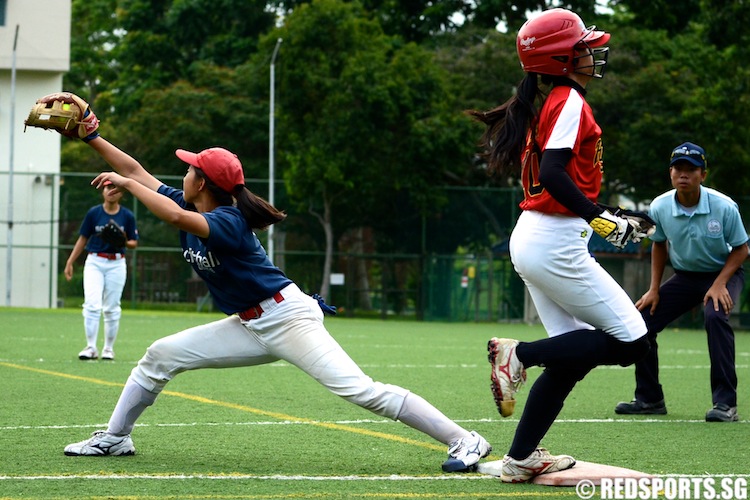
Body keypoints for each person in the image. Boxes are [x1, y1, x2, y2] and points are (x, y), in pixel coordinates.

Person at [60, 129, 490, 473]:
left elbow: (166, 210)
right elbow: (134, 167)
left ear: (203, 183)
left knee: (363, 392)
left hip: (287, 318)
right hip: (250, 324)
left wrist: (128, 186)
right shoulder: (190, 201)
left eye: (191, 169)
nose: (183, 174)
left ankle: (465, 439)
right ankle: (115, 437)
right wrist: (90, 133)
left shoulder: (226, 220)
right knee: (160, 356)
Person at [467, 8, 651, 483]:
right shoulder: (568, 100)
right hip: (553, 241)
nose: (593, 52)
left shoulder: (550, 101)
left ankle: (522, 457)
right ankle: (520, 355)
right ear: (563, 57)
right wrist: (601, 218)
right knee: (633, 341)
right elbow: (552, 175)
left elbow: (557, 177)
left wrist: (602, 212)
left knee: (569, 359)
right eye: (584, 45)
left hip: (537, 237)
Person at [614, 142, 748, 422]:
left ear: (703, 174)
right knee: (642, 322)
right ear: (671, 173)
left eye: (691, 169)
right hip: (686, 276)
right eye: (678, 168)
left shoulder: (724, 207)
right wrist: (653, 289)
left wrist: (720, 283)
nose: (684, 174)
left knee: (715, 317)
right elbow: (659, 244)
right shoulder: (660, 206)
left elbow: (741, 249)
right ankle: (649, 398)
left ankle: (726, 404)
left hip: (724, 273)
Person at [64, 180, 139, 361]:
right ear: (102, 191)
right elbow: (83, 238)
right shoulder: (94, 213)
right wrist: (70, 261)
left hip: (117, 263)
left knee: (112, 307)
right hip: (95, 261)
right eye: (107, 187)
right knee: (92, 304)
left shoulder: (127, 216)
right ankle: (90, 347)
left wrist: (123, 241)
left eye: (115, 188)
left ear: (122, 194)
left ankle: (108, 349)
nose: (111, 191)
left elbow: (133, 243)